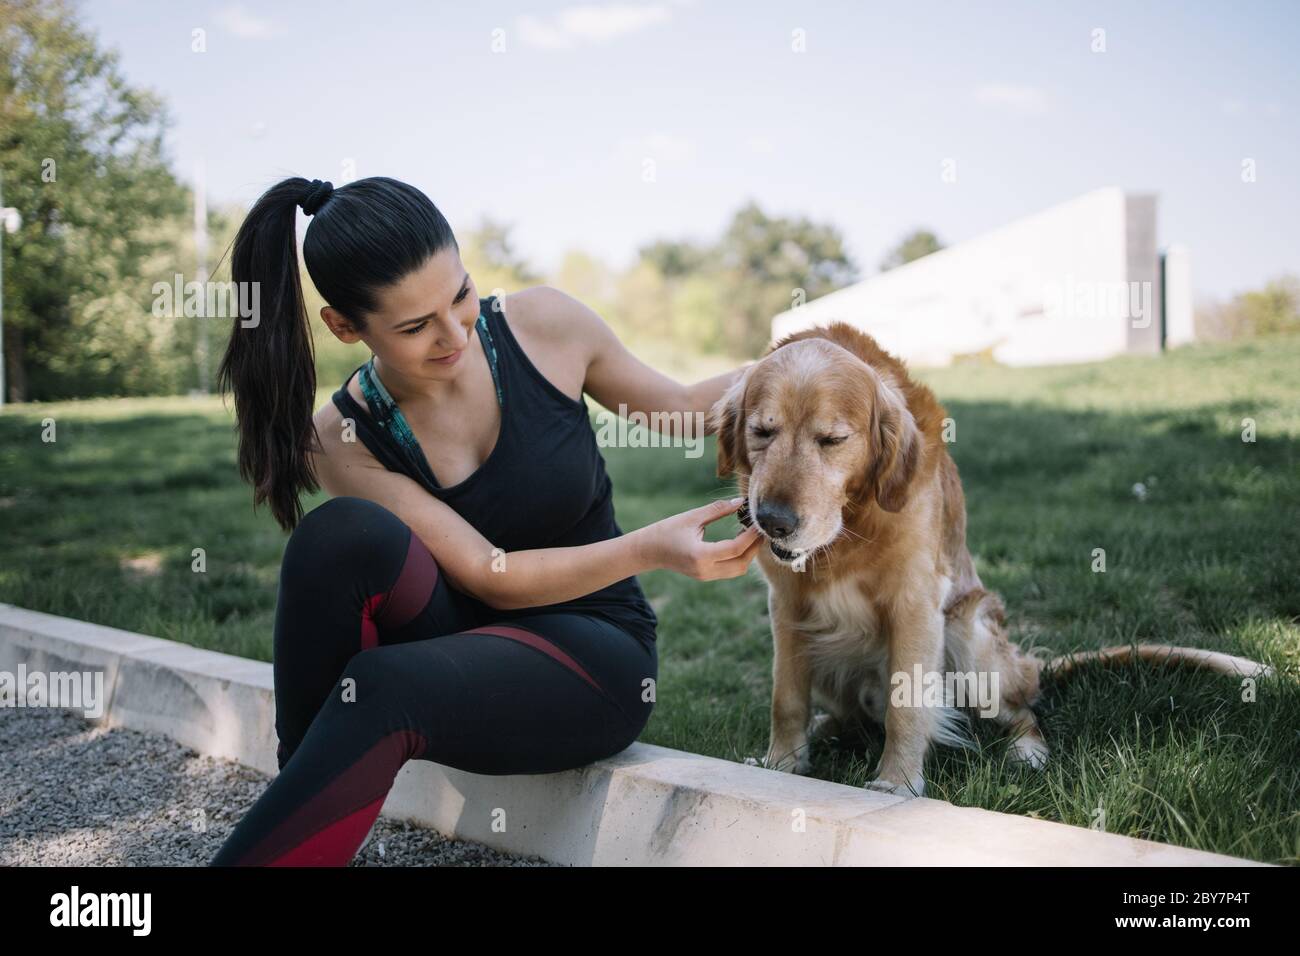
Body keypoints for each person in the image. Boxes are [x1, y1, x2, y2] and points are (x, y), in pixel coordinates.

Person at [208, 175, 762, 865]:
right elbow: (486, 577)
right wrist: (652, 546)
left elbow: (680, 407)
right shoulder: (343, 438)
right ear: (346, 328)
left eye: (461, 295)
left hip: (593, 655)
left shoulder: (544, 327)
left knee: (383, 687)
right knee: (336, 540)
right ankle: (305, 798)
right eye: (414, 327)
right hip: (461, 636)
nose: (453, 334)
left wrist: (800, 360)